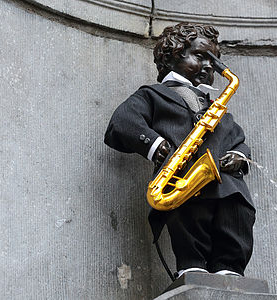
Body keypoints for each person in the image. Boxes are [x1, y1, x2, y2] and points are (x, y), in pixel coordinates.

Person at [104, 23, 255, 278]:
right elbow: (122, 121)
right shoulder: (154, 95)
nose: (209, 66)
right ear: (173, 55)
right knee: (188, 217)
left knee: (237, 216)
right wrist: (154, 144)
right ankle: (191, 263)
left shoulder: (217, 109)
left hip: (225, 183)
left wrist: (239, 156)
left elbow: (237, 138)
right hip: (182, 179)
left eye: (214, 61)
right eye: (201, 56)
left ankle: (230, 268)